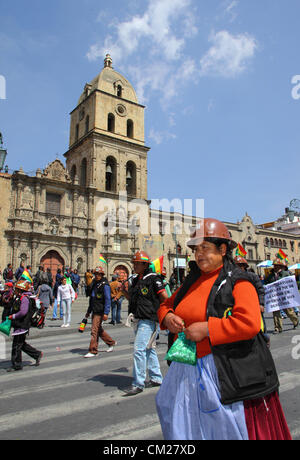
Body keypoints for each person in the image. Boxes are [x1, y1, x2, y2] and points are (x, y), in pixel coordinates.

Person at [155, 218, 291, 440]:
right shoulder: (191, 281)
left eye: (205, 248)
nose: (199, 254)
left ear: (222, 249)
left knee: (220, 427)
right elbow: (166, 305)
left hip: (223, 371)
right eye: (196, 249)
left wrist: (208, 328)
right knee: (175, 415)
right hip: (187, 368)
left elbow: (249, 323)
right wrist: (168, 317)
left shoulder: (240, 281)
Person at [120, 251, 168, 396]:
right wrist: (124, 292)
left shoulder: (154, 279)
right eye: (133, 263)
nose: (134, 266)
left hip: (149, 319)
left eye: (136, 263)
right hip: (137, 318)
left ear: (145, 264)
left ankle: (138, 383)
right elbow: (133, 300)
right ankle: (156, 378)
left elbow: (164, 297)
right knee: (149, 349)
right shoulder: (135, 280)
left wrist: (165, 315)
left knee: (139, 349)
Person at [6, 280, 43, 372]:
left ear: (20, 290)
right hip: (20, 324)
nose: (15, 290)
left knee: (17, 345)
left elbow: (23, 312)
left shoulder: (25, 299)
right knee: (21, 344)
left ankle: (17, 365)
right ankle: (37, 354)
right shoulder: (19, 297)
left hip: (22, 324)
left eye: (17, 289)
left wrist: (13, 316)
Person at [234, 256, 270, 346]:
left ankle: (265, 339)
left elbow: (260, 290)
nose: (237, 268)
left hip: (254, 305)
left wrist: (261, 304)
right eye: (236, 266)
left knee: (260, 325)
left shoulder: (252, 276)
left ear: (244, 266)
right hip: (239, 306)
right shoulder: (232, 278)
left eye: (239, 266)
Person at [84, 267, 116, 357]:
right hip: (94, 309)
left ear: (102, 275)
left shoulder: (105, 285)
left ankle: (93, 350)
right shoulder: (94, 283)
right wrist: (88, 311)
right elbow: (92, 298)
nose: (97, 276)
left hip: (100, 311)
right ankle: (111, 342)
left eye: (99, 274)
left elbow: (107, 299)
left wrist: (106, 313)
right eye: (96, 274)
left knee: (94, 330)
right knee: (99, 329)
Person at [264, 259, 299, 334]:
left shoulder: (285, 274)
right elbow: (267, 284)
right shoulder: (270, 276)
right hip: (275, 298)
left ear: (280, 266)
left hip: (285, 296)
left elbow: (291, 283)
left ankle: (295, 321)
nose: (275, 267)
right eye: (274, 265)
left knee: (289, 312)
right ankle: (278, 328)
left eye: (277, 265)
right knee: (276, 313)